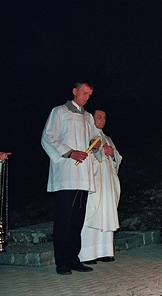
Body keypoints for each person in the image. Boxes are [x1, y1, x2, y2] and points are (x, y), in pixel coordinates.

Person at [41, 82, 99, 275]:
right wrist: (69, 153)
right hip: (66, 174)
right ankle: (62, 262)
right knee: (64, 220)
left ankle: (74, 259)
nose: (86, 97)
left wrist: (94, 143)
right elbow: (48, 137)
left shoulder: (88, 117)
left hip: (83, 176)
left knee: (77, 220)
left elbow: (93, 135)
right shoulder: (59, 112)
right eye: (84, 93)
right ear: (74, 91)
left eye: (89, 95)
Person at [79, 109, 123, 264]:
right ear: (92, 118)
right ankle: (87, 254)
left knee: (107, 215)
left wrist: (111, 154)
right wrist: (101, 151)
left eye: (104, 117)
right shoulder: (87, 136)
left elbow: (118, 158)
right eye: (99, 116)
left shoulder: (108, 138)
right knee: (91, 215)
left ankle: (105, 251)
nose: (102, 119)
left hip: (108, 182)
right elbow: (86, 156)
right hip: (95, 181)